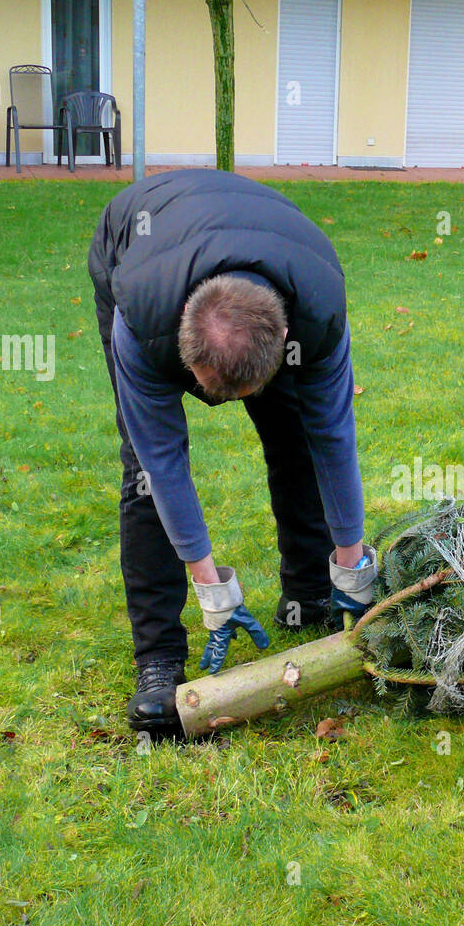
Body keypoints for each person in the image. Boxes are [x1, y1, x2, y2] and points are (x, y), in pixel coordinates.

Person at [88, 170, 376, 738]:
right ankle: (158, 657)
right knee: (143, 469)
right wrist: (209, 585)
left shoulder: (319, 313)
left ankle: (312, 596)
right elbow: (162, 459)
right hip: (139, 236)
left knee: (294, 432)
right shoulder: (142, 318)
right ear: (179, 349)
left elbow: (333, 438)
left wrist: (352, 562)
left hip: (275, 245)